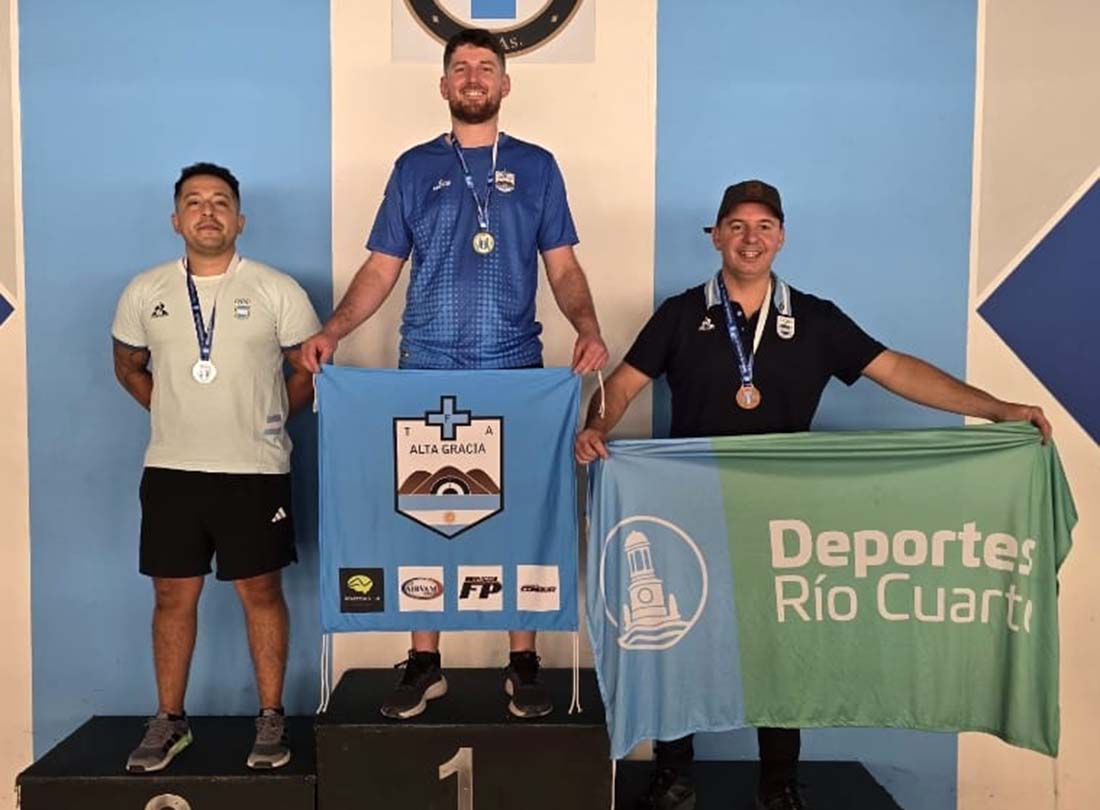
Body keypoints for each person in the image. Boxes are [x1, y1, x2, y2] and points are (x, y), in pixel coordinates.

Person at [574, 180, 1051, 810]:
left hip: (782, 511)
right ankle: (673, 770)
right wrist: (596, 426)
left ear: (781, 237)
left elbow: (898, 370)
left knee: (782, 640)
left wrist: (996, 411)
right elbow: (624, 383)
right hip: (689, 505)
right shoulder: (681, 314)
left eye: (764, 226)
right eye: (737, 226)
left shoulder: (818, 318)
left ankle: (777, 782)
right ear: (716, 236)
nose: (750, 238)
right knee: (680, 638)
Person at [300, 28, 607, 720]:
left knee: (517, 510)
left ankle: (522, 661)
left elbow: (563, 266)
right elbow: (382, 268)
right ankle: (424, 663)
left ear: (504, 85)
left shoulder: (538, 167)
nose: (472, 76)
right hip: (426, 366)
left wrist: (587, 327)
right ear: (443, 86)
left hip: (514, 370)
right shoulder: (413, 168)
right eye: (460, 67)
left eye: (485, 68)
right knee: (426, 513)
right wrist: (333, 330)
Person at [112, 162, 321, 772]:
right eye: (195, 202)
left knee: (261, 591)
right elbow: (127, 364)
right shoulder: (145, 291)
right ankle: (170, 721)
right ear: (176, 219)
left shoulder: (275, 289)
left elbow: (307, 368)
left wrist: (275, 415)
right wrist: (172, 411)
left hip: (254, 471)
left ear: (240, 218)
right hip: (172, 469)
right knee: (172, 595)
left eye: (221, 201)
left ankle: (271, 717)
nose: (209, 211)